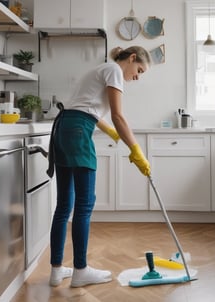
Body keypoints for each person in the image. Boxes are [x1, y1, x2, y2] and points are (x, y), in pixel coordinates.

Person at [47, 46, 152, 287]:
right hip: (78, 130)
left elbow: (89, 108)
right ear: (132, 58)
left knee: (64, 205)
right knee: (84, 204)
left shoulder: (102, 68)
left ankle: (56, 271)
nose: (137, 76)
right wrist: (136, 150)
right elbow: (118, 115)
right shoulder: (114, 69)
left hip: (64, 127)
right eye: (139, 70)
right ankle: (80, 270)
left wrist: (111, 133)